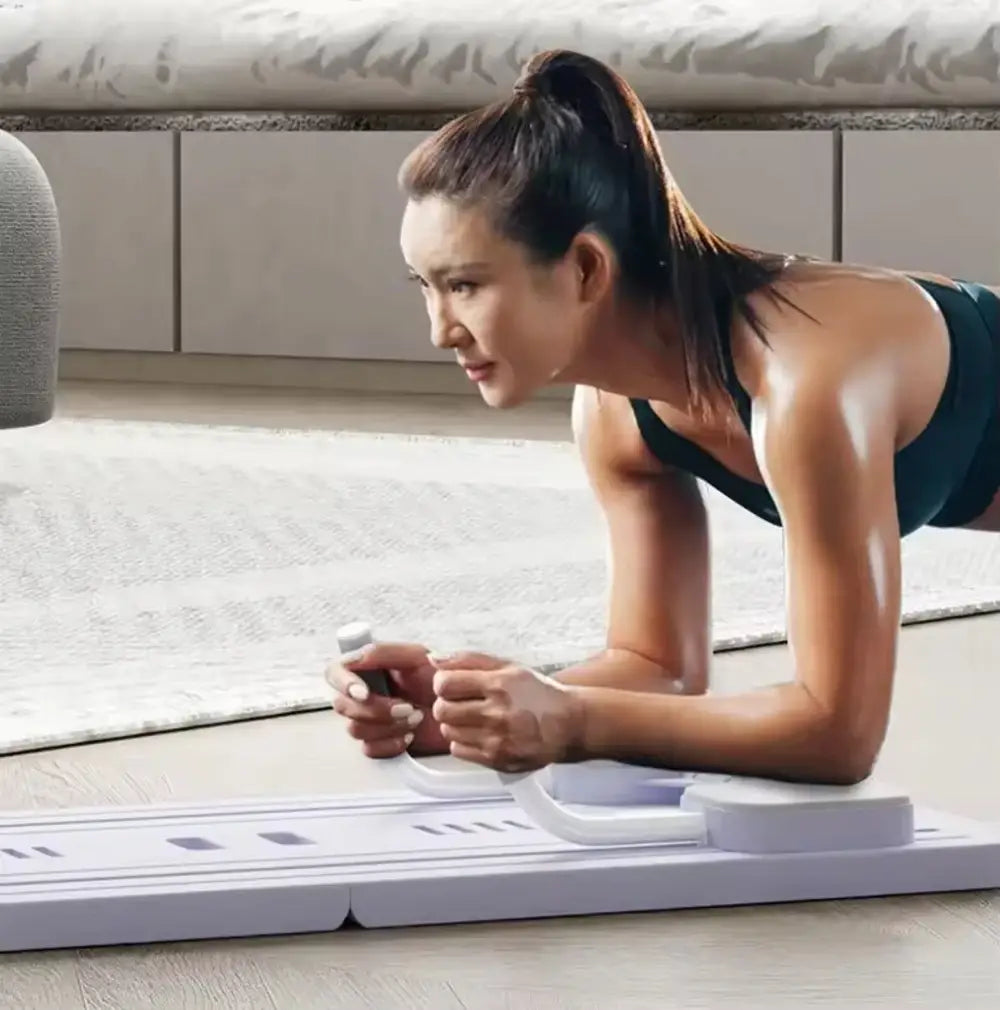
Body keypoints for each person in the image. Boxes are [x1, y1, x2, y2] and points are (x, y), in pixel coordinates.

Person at [327, 48, 1000, 785]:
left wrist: (573, 720)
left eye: (464, 286)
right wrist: (464, 711)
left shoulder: (807, 377)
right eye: (425, 287)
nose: (440, 330)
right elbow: (657, 669)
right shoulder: (616, 417)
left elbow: (837, 733)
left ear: (585, 268)